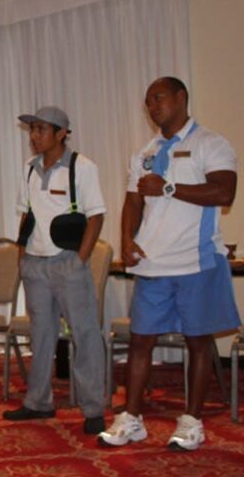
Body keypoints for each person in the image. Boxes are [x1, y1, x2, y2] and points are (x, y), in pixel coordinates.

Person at [99, 77, 240, 451]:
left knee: (198, 342)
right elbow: (133, 201)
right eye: (147, 101)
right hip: (153, 263)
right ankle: (131, 418)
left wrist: (169, 188)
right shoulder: (144, 152)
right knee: (140, 340)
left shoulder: (210, 143)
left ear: (181, 97)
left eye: (158, 98)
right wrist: (128, 239)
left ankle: (191, 422)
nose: (152, 106)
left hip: (196, 260)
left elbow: (224, 191)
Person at [3, 106, 107, 435]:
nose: (34, 136)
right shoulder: (29, 168)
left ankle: (94, 408)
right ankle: (38, 402)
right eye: (32, 129)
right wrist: (22, 256)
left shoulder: (82, 167)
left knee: (85, 334)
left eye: (41, 130)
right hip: (35, 265)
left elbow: (96, 216)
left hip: (67, 262)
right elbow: (26, 213)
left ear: (61, 133)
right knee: (41, 335)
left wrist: (80, 259)